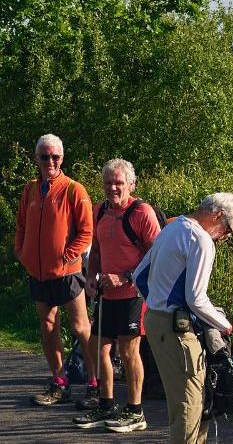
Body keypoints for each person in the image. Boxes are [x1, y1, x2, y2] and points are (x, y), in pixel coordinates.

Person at [133, 193, 233, 444]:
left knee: (191, 399)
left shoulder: (173, 228)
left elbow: (139, 275)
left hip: (156, 321)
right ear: (218, 216)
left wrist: (158, 302)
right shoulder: (201, 240)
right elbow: (196, 298)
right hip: (177, 330)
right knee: (189, 404)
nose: (226, 236)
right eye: (229, 229)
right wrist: (227, 326)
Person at [72, 159, 161, 432]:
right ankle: (106, 405)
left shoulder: (142, 213)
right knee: (101, 349)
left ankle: (135, 412)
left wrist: (124, 277)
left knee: (129, 351)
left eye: (119, 183)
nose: (113, 188)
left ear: (131, 184)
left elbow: (157, 257)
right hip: (106, 294)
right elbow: (96, 250)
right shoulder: (100, 211)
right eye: (108, 183)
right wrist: (90, 277)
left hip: (134, 294)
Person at [14, 133, 96, 406]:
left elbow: (86, 233)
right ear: (36, 158)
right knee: (48, 326)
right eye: (45, 156)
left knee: (80, 327)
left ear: (62, 158)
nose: (50, 161)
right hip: (38, 273)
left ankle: (95, 383)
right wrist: (22, 253)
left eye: (55, 156)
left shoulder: (74, 189)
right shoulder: (29, 190)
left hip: (68, 272)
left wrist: (66, 258)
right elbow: (22, 227)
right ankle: (59, 381)